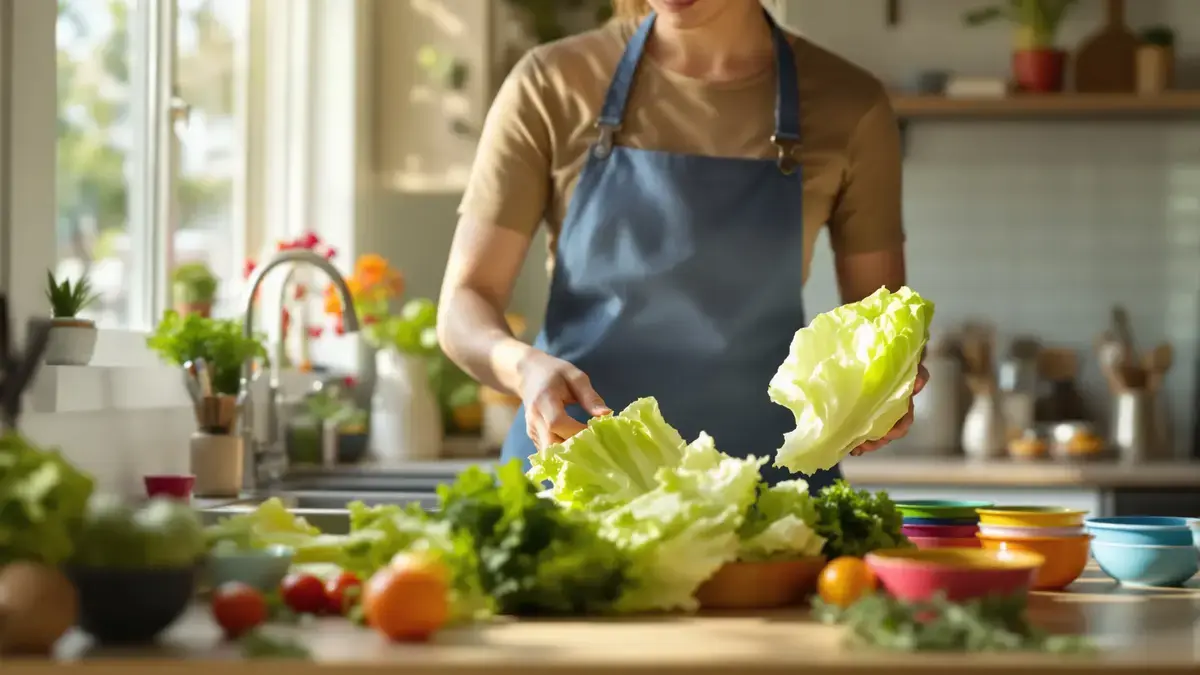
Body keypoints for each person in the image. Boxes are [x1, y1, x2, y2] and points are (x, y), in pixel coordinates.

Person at [437, 0, 928, 489]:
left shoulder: (849, 104)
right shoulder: (553, 82)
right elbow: (466, 300)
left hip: (768, 495)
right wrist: (523, 368)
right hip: (575, 479)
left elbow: (878, 322)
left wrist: (884, 388)